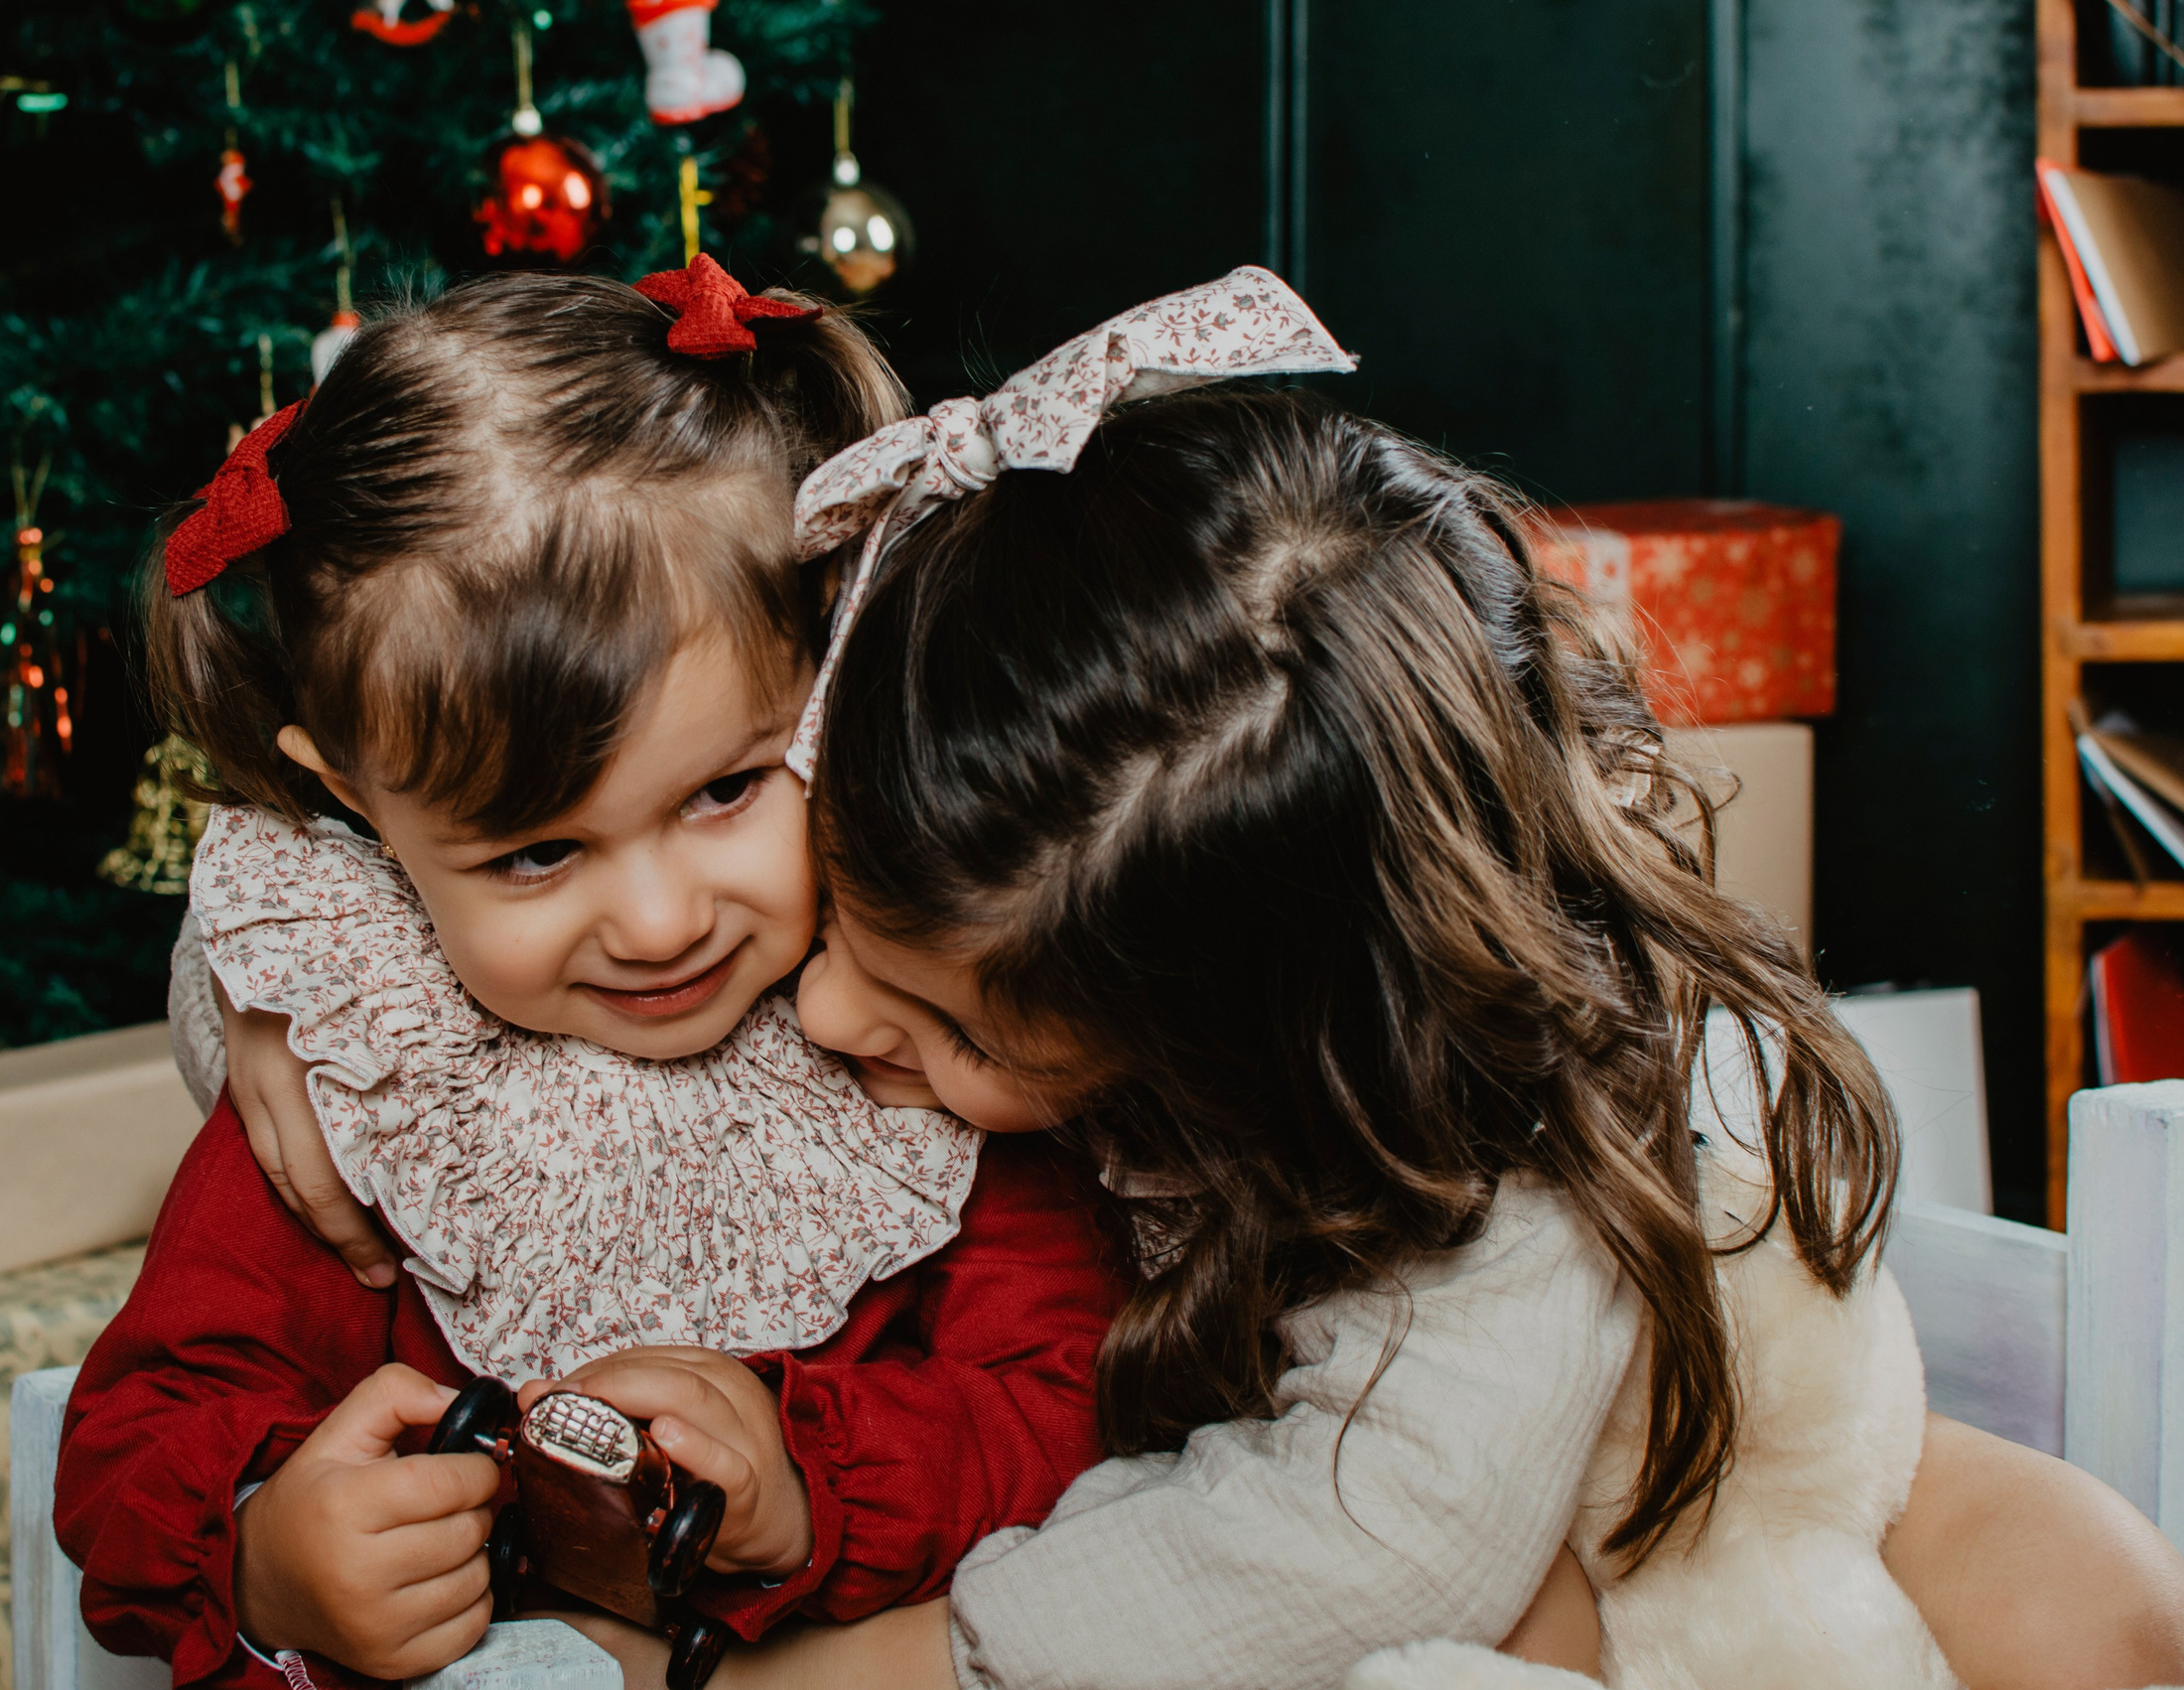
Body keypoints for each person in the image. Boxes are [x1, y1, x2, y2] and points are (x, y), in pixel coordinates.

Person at [238, 270, 2184, 1690]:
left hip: (1525, 1506)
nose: (825, 1021)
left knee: (2068, 1582)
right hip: (1348, 1511)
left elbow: (1335, 1551)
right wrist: (242, 979)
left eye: (944, 1028)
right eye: (850, 921)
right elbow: (496, 780)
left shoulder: (1473, 1136)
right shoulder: (958, 684)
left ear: (1236, 1050)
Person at [55, 263, 1142, 1690]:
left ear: (831, 670)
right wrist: (268, 1551)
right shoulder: (364, 1064)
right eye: (532, 855)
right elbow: (142, 1425)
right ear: (367, 810)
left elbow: (1075, 1407)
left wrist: (812, 1482)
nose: (654, 920)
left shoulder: (918, 1032)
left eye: (726, 791)